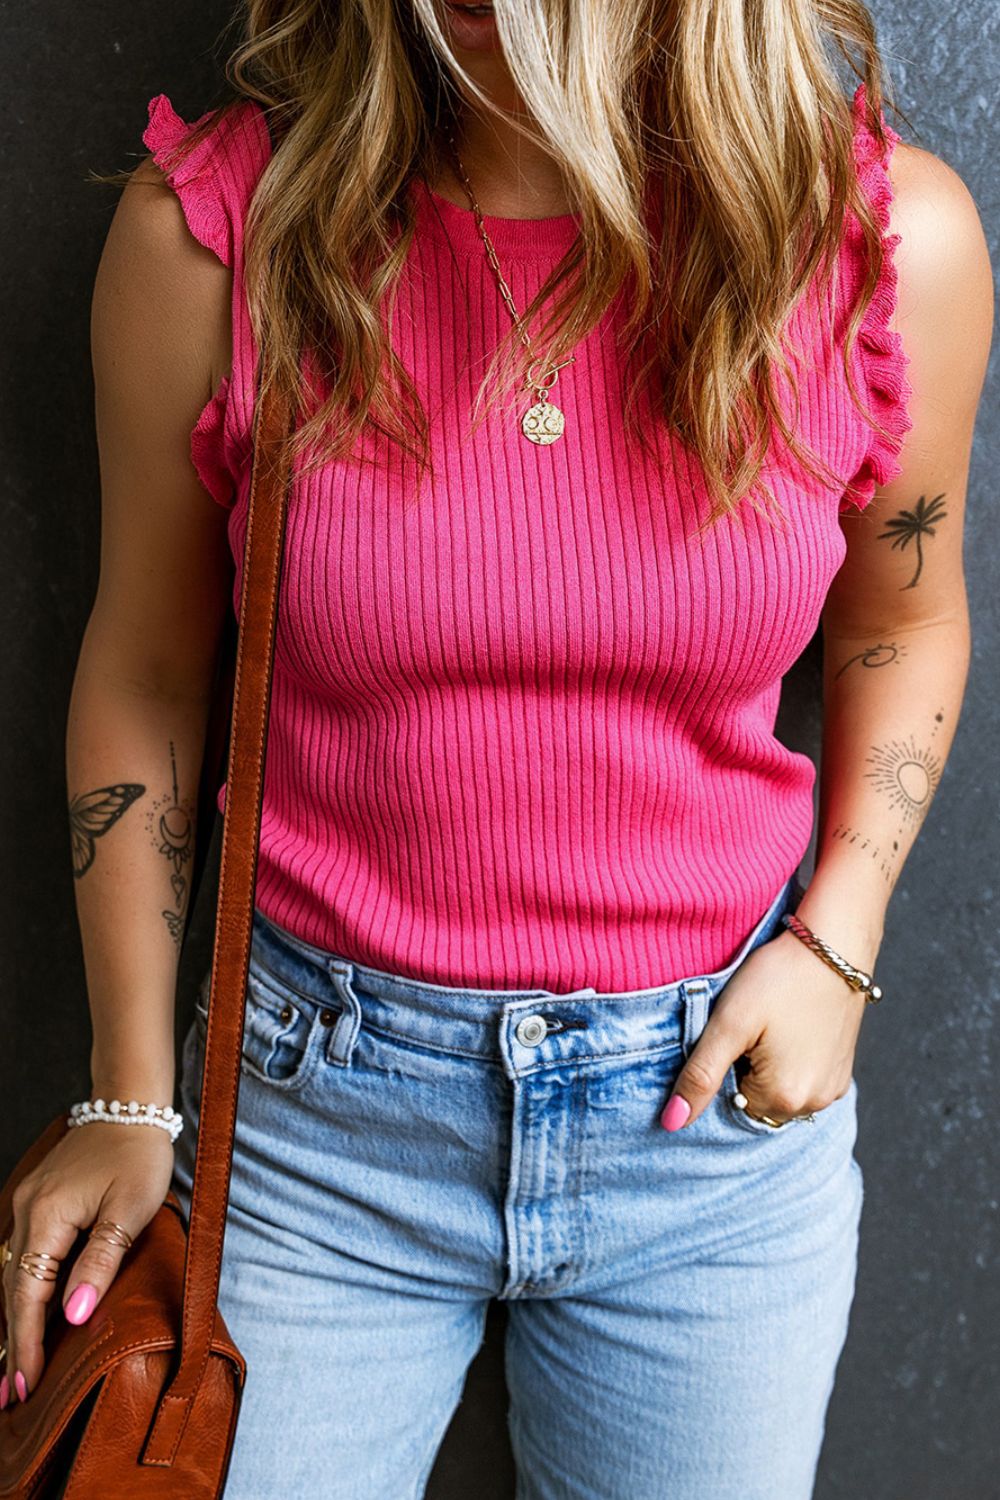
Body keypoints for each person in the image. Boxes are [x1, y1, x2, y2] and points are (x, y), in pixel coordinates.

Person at [1, 0, 992, 1495]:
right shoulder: (216, 238)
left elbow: (904, 624)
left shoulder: (882, 244)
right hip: (316, 1130)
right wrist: (128, 1090)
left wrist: (841, 939)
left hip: (711, 1127)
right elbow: (146, 671)